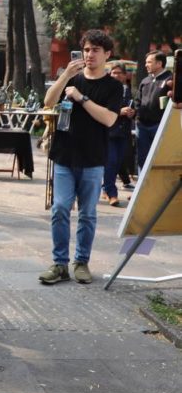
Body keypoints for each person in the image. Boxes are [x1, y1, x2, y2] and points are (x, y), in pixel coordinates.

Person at [39, 30, 121, 286]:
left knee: (87, 214)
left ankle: (81, 261)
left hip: (93, 158)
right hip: (64, 154)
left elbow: (109, 119)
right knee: (60, 208)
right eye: (86, 50)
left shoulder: (113, 86)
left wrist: (81, 98)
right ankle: (60, 264)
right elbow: (48, 102)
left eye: (96, 50)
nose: (89, 54)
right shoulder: (71, 79)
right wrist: (64, 75)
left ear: (107, 55)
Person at [101, 63, 135, 207]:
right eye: (114, 72)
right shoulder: (105, 89)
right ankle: (111, 193)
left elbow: (133, 107)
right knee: (111, 161)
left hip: (123, 132)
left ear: (125, 75)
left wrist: (132, 113)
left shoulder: (128, 90)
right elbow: (102, 108)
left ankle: (106, 188)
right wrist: (119, 112)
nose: (116, 75)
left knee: (118, 162)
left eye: (119, 73)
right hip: (109, 131)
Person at [135, 51, 172, 170]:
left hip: (160, 126)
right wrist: (135, 113)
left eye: (149, 62)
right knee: (142, 159)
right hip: (142, 126)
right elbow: (137, 100)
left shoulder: (170, 81)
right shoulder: (145, 81)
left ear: (159, 63)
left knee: (158, 159)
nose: (146, 65)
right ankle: (142, 187)